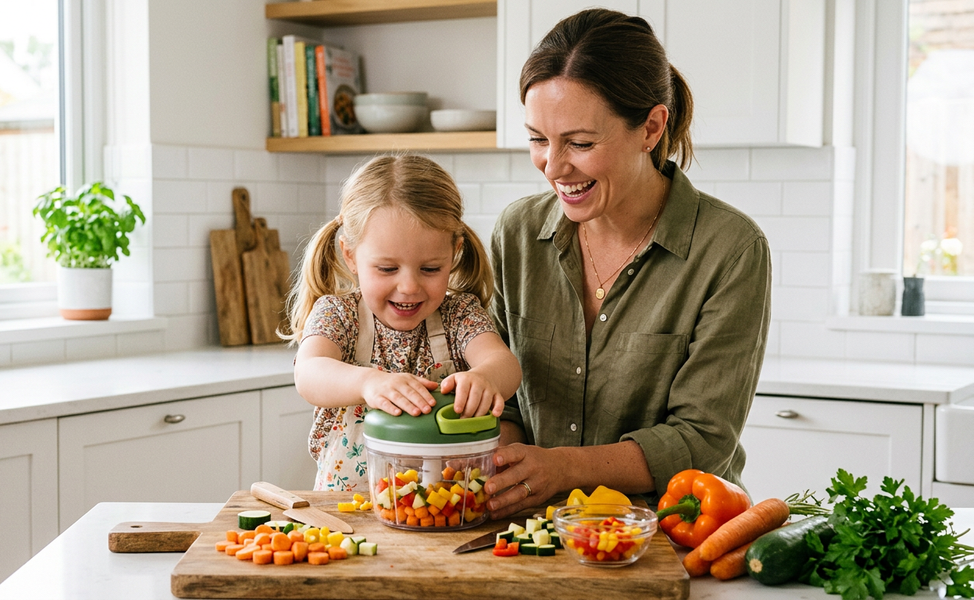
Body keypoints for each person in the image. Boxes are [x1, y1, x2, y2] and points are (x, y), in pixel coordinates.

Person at [485, 8, 771, 519]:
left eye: (580, 143)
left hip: (671, 531)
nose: (553, 166)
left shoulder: (729, 249)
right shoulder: (518, 234)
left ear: (651, 127)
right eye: (537, 139)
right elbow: (501, 398)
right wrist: (510, 472)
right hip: (537, 527)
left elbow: (703, 439)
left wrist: (564, 468)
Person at [285, 154, 522, 492]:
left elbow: (505, 365)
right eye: (387, 269)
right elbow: (308, 374)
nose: (409, 286)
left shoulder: (459, 315)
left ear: (454, 253)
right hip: (347, 518)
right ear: (350, 255)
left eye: (430, 269)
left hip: (441, 510)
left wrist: (484, 379)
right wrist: (368, 383)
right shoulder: (340, 315)